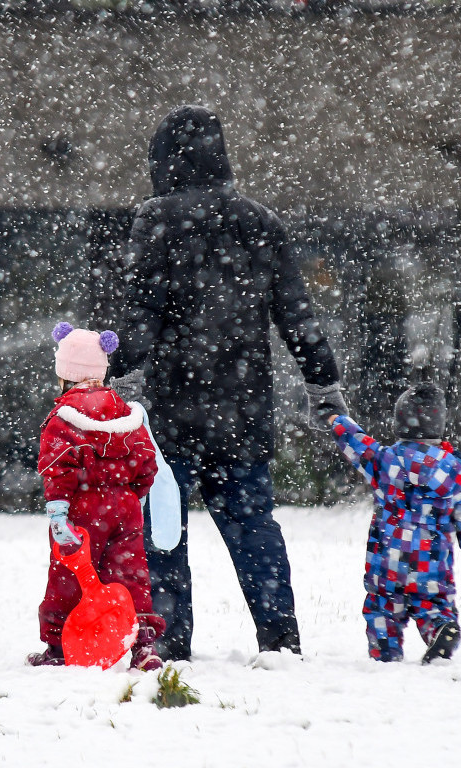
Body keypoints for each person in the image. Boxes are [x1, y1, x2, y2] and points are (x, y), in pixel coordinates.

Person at [106, 104, 349, 661]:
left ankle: (170, 639)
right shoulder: (261, 222)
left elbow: (143, 314)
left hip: (171, 409)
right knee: (253, 524)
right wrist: (324, 385)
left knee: (163, 529)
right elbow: (297, 314)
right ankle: (279, 637)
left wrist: (114, 371)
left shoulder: (156, 220)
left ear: (164, 160)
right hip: (243, 407)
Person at [28, 322, 167, 671]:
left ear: (66, 374)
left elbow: (58, 465)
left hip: (82, 507)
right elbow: (146, 460)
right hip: (125, 508)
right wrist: (133, 495)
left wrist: (58, 511)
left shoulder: (64, 417)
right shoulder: (124, 411)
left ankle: (60, 644)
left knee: (70, 576)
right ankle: (142, 644)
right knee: (130, 574)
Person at [325, 379, 461, 663]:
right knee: (433, 603)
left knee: (383, 607)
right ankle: (439, 628)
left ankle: (385, 651)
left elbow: (356, 442)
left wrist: (336, 419)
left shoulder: (386, 460)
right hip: (432, 559)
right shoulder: (454, 468)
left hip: (388, 559)